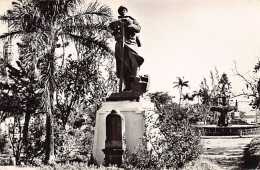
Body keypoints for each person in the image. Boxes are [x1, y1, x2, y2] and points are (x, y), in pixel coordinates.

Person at [109, 6, 144, 91]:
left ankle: (136, 76)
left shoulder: (132, 19)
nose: (123, 11)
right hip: (120, 44)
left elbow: (138, 29)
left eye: (124, 10)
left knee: (134, 58)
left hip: (131, 42)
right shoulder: (116, 21)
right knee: (123, 64)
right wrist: (118, 23)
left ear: (127, 11)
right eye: (121, 10)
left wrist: (130, 24)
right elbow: (110, 27)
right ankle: (127, 85)